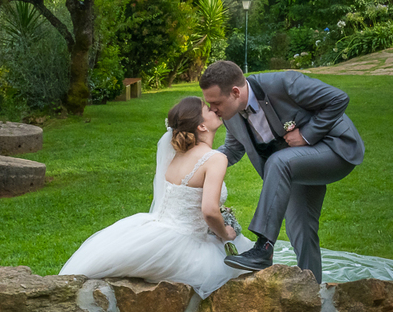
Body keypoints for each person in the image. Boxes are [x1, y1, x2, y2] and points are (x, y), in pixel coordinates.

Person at [59, 96, 252, 298]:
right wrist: (225, 234)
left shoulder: (178, 154)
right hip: (185, 243)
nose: (214, 109)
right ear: (201, 126)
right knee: (239, 263)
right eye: (208, 109)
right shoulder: (215, 159)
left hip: (158, 228)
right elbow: (209, 211)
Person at [199, 60, 364, 282]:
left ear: (235, 92)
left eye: (215, 102)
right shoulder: (232, 114)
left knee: (277, 161)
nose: (212, 109)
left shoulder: (285, 83)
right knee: (300, 229)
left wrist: (306, 134)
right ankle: (311, 289)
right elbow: (232, 150)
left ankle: (264, 248)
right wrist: (197, 164)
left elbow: (338, 98)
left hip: (335, 148)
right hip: (292, 166)